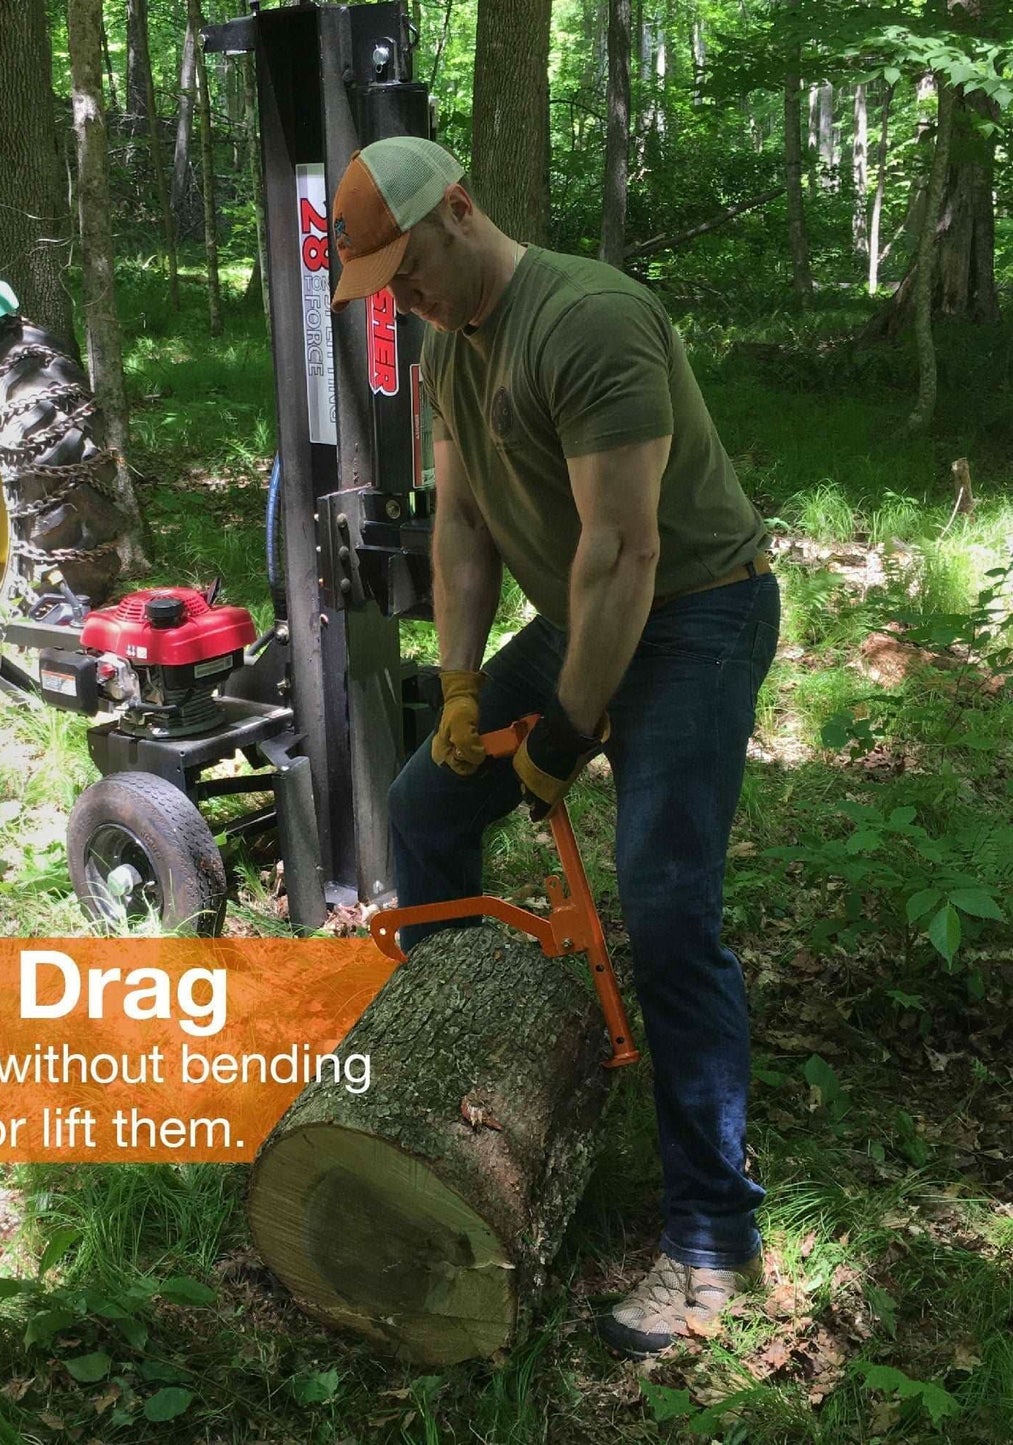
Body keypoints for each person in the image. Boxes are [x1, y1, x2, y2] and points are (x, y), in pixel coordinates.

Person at [329, 136, 781, 1359]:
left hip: (693, 613)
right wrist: (461, 687)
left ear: (459, 209)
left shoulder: (588, 321)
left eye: (408, 270)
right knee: (425, 806)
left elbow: (623, 551)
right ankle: (447, 1102)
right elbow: (461, 525)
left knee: (667, 905)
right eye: (382, 287)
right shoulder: (450, 345)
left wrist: (569, 732)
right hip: (585, 614)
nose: (404, 299)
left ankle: (713, 1236)